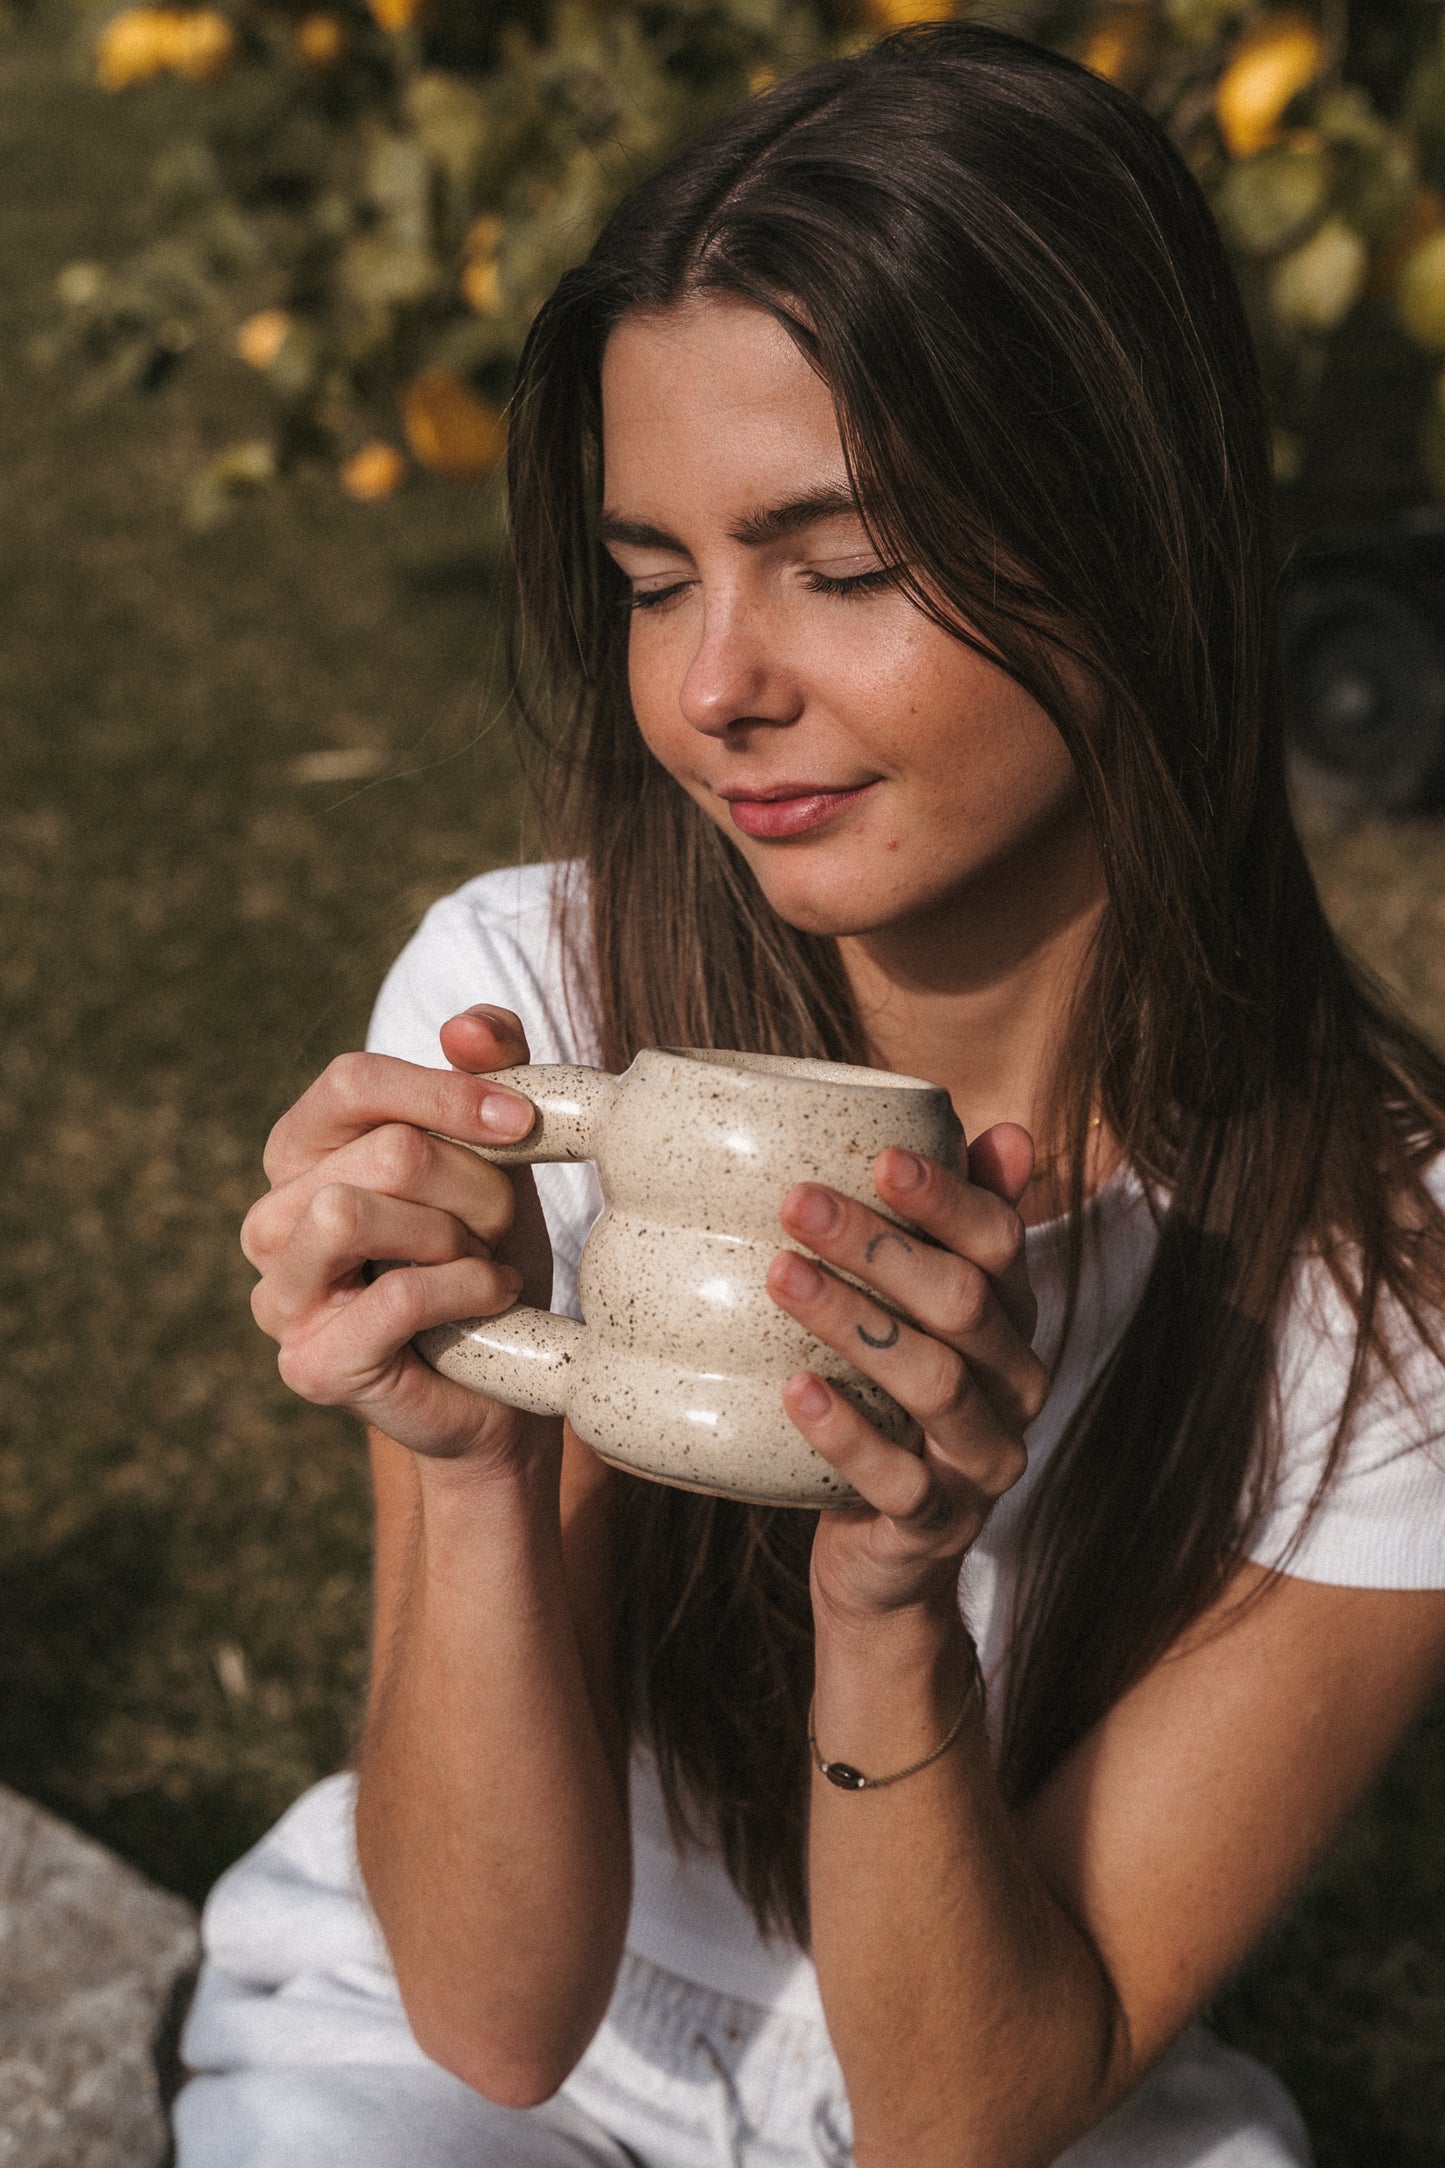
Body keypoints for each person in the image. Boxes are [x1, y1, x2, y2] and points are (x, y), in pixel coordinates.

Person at [174, 24, 1445, 2168]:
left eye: (837, 566)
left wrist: (891, 1609)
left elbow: (965, 2112)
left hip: (984, 2032)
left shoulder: (1375, 1276)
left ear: (1134, 539)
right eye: (655, 574)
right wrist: (476, 1466)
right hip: (474, 2040)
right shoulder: (536, 1003)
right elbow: (490, 2018)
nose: (706, 687)